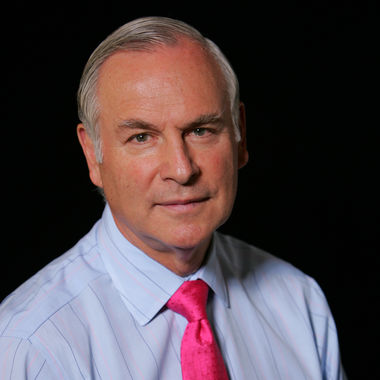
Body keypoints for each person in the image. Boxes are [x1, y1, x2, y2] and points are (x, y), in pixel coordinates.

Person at [0, 16, 346, 379]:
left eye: (200, 130)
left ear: (240, 135)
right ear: (92, 155)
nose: (182, 170)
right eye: (142, 138)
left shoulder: (301, 304)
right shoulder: (30, 348)